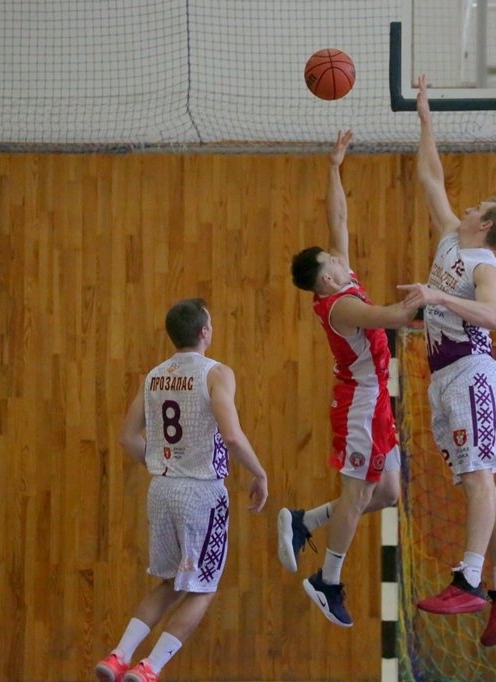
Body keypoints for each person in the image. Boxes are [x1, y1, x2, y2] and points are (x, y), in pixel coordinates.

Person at [396, 74, 496, 648]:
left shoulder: (485, 268)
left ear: (487, 225)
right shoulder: (453, 236)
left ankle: (469, 579)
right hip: (445, 377)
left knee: (478, 477)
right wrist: (426, 117)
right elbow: (430, 177)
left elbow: (492, 318)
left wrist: (436, 298)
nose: (467, 206)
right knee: (481, 482)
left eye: (477, 206)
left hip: (473, 372)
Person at [278, 129, 417, 628]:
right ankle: (328, 581)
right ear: (327, 277)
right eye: (334, 260)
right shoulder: (343, 306)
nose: (341, 256)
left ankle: (305, 520)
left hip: (375, 398)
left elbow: (338, 219)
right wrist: (433, 299)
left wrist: (334, 167)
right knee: (359, 493)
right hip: (360, 403)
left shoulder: (341, 279)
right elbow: (394, 317)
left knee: (387, 493)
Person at [95, 299, 268, 682]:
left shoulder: (154, 376)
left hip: (161, 489)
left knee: (170, 582)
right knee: (203, 588)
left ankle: (118, 656)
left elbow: (127, 437)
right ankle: (150, 667)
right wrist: (259, 473)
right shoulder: (216, 373)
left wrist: (163, 465)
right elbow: (232, 437)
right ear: (204, 332)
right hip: (201, 493)